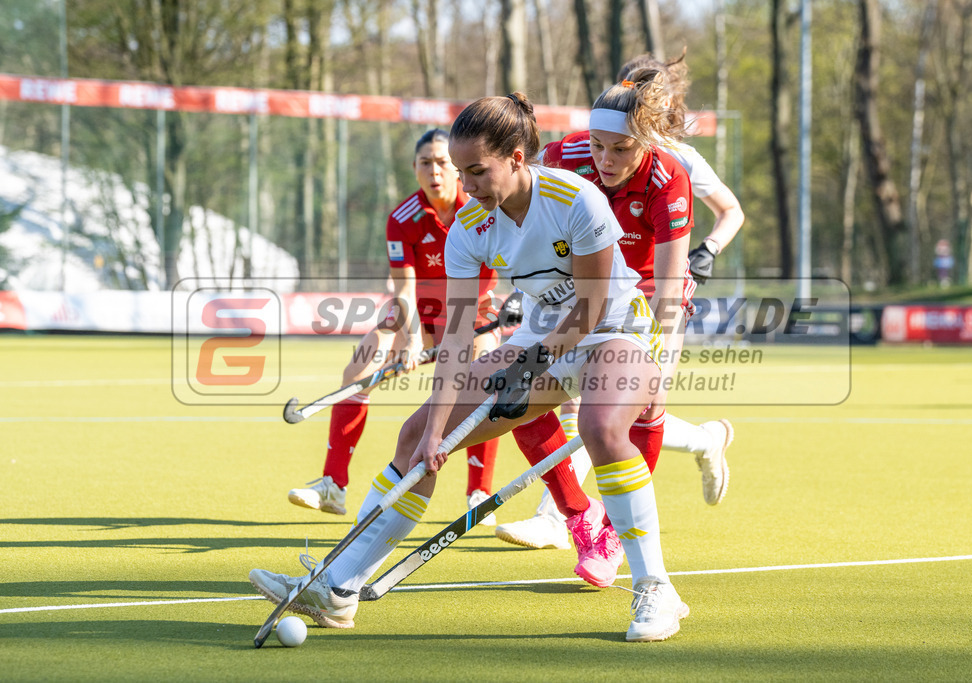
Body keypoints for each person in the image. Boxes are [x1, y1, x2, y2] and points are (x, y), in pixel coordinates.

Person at [250, 92, 689, 643]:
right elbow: (457, 340)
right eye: (462, 172)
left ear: (517, 157)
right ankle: (338, 589)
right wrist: (437, 430)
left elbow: (591, 307)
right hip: (540, 334)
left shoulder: (576, 200)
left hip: (616, 327)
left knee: (601, 428)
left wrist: (531, 364)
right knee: (414, 436)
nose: (468, 185)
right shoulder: (469, 228)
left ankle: (656, 589)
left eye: (477, 171)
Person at [495, 54, 745, 553]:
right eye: (599, 145)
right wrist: (518, 298)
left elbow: (730, 212)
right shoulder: (578, 152)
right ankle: (568, 513)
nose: (606, 158)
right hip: (587, 287)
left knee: (625, 408)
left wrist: (708, 250)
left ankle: (598, 529)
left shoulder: (680, 163)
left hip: (651, 292)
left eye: (621, 147)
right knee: (550, 396)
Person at [286, 129, 503, 525]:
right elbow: (404, 288)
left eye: (441, 163)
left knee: (485, 372)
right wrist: (412, 338)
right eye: (425, 163)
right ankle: (334, 485)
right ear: (414, 169)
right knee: (359, 368)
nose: (434, 171)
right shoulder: (402, 218)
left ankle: (479, 491)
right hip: (417, 313)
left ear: (456, 169)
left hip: (473, 311)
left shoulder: (482, 208)